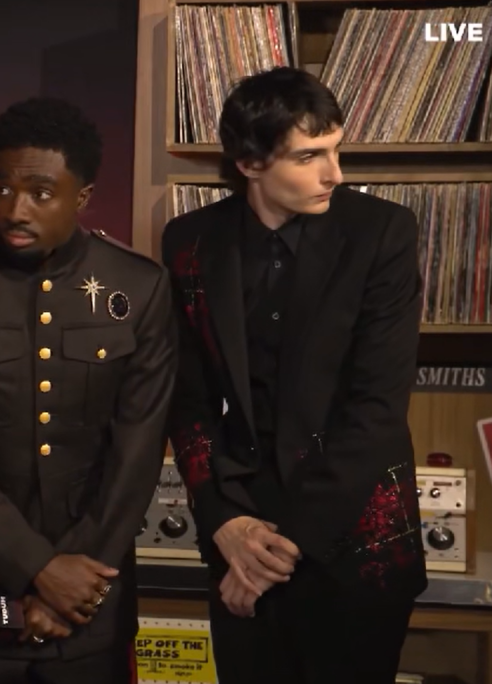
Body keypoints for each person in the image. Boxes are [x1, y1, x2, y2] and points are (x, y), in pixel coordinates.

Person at [160, 66, 427, 684]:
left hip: (357, 544)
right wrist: (225, 521)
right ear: (250, 163)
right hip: (241, 537)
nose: (336, 173)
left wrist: (277, 552)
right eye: (310, 156)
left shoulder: (382, 232)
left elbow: (377, 410)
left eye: (336, 150)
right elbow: (187, 400)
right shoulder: (190, 241)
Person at [0, 96, 177, 684]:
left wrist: (71, 585)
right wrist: (38, 568)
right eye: (2, 188)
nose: (15, 207)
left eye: (40, 192)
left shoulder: (139, 288)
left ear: (81, 197)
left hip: (91, 606)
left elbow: (135, 455)